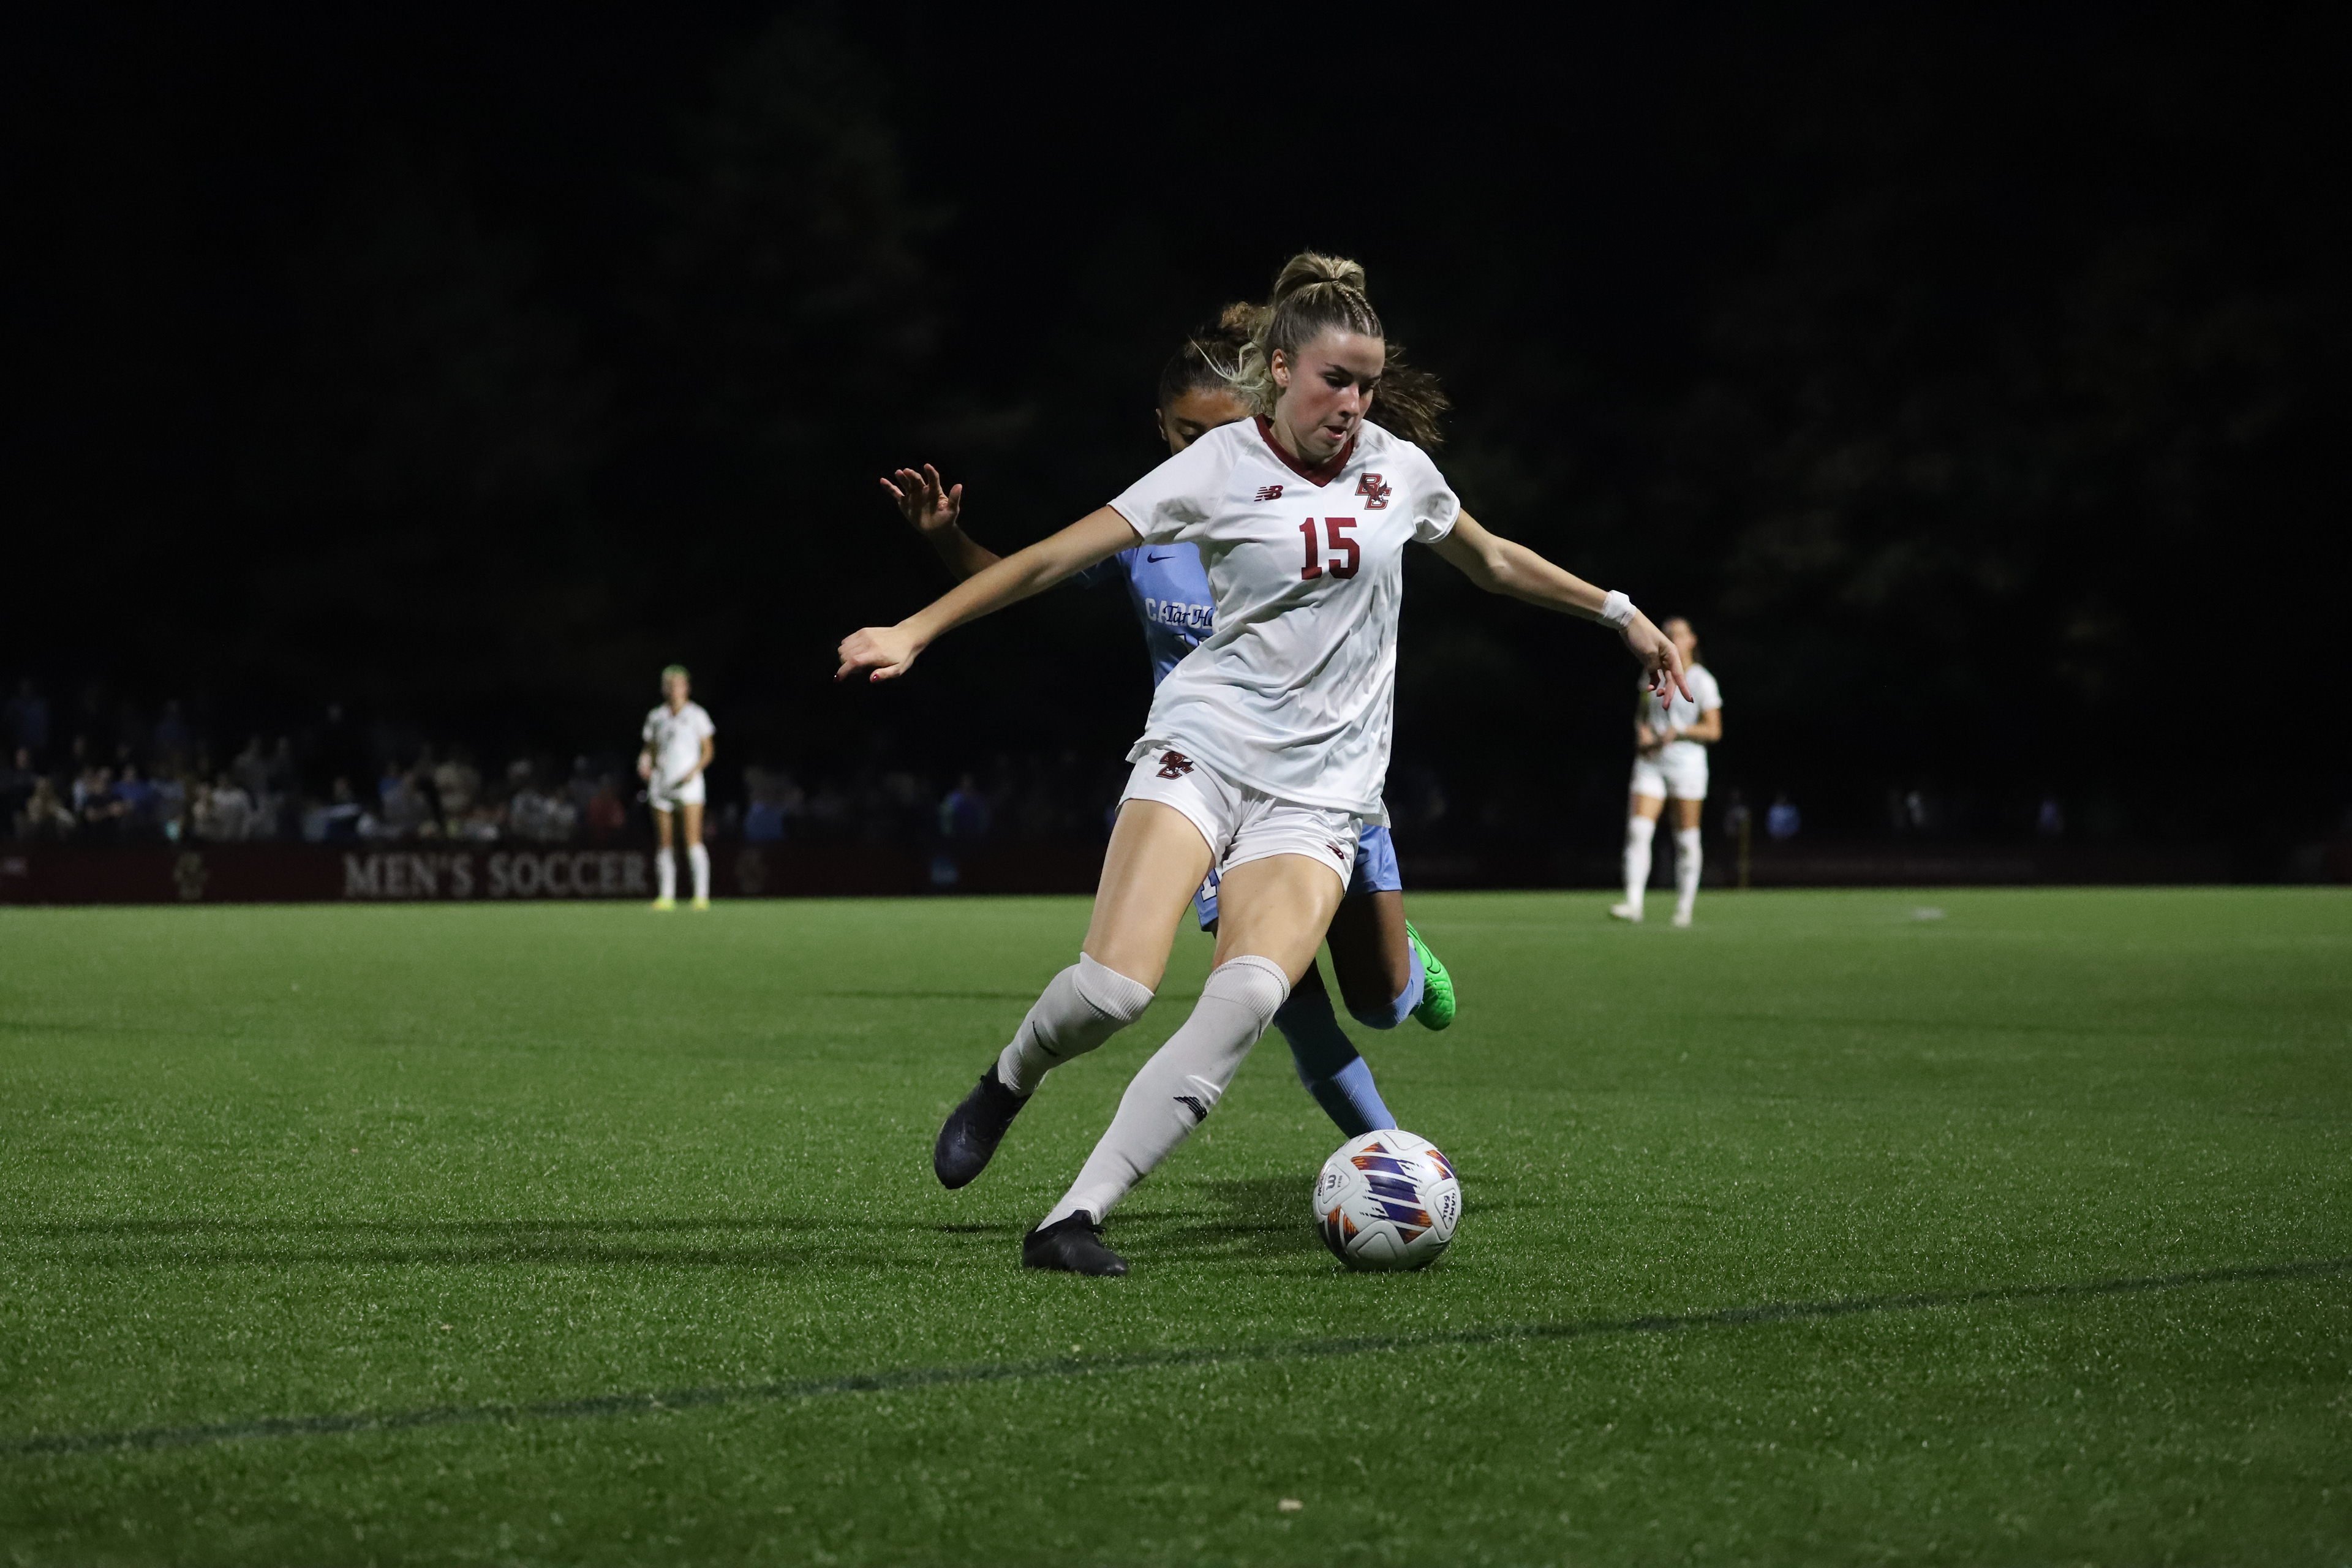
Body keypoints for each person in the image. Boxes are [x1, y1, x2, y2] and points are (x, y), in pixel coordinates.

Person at [839, 252, 1687, 1275]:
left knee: (1246, 1001)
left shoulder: (1398, 473)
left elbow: (1496, 560)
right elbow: (1055, 557)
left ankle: (1074, 1218)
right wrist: (916, 630)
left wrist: (1622, 614)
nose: (1355, 403)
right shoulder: (1218, 463)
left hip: (1323, 793)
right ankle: (1009, 1080)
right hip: (1204, 748)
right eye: (1336, 379)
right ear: (1279, 368)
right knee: (1113, 992)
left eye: (1369, 383)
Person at [881, 308, 1457, 1151]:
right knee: (1285, 1010)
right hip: (1215, 786)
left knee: (1383, 1000)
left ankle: (1404, 962)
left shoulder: (1307, 507)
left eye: (1220, 432)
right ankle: (1399, 1168)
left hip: (1331, 782)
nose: (1202, 452)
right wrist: (947, 543)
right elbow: (1028, 575)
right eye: (1185, 434)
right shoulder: (1149, 526)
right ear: (1161, 427)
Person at [1611, 616, 1722, 927]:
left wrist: (1680, 731)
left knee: (1686, 839)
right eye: (1667, 634)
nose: (1672, 638)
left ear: (1691, 641)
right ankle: (1634, 903)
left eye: (1679, 634)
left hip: (1687, 766)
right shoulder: (1652, 674)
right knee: (1638, 831)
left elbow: (1713, 730)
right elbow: (1643, 715)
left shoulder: (1702, 681)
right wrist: (1643, 733)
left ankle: (1684, 909)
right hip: (1651, 763)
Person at [638, 665, 715, 910]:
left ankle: (701, 896)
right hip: (662, 784)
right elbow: (649, 750)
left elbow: (708, 750)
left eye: (678, 685)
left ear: (686, 688)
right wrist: (644, 764)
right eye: (669, 685)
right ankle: (666, 895)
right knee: (665, 842)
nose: (674, 690)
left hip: (689, 785)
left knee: (693, 840)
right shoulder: (656, 717)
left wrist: (694, 770)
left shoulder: (697, 715)